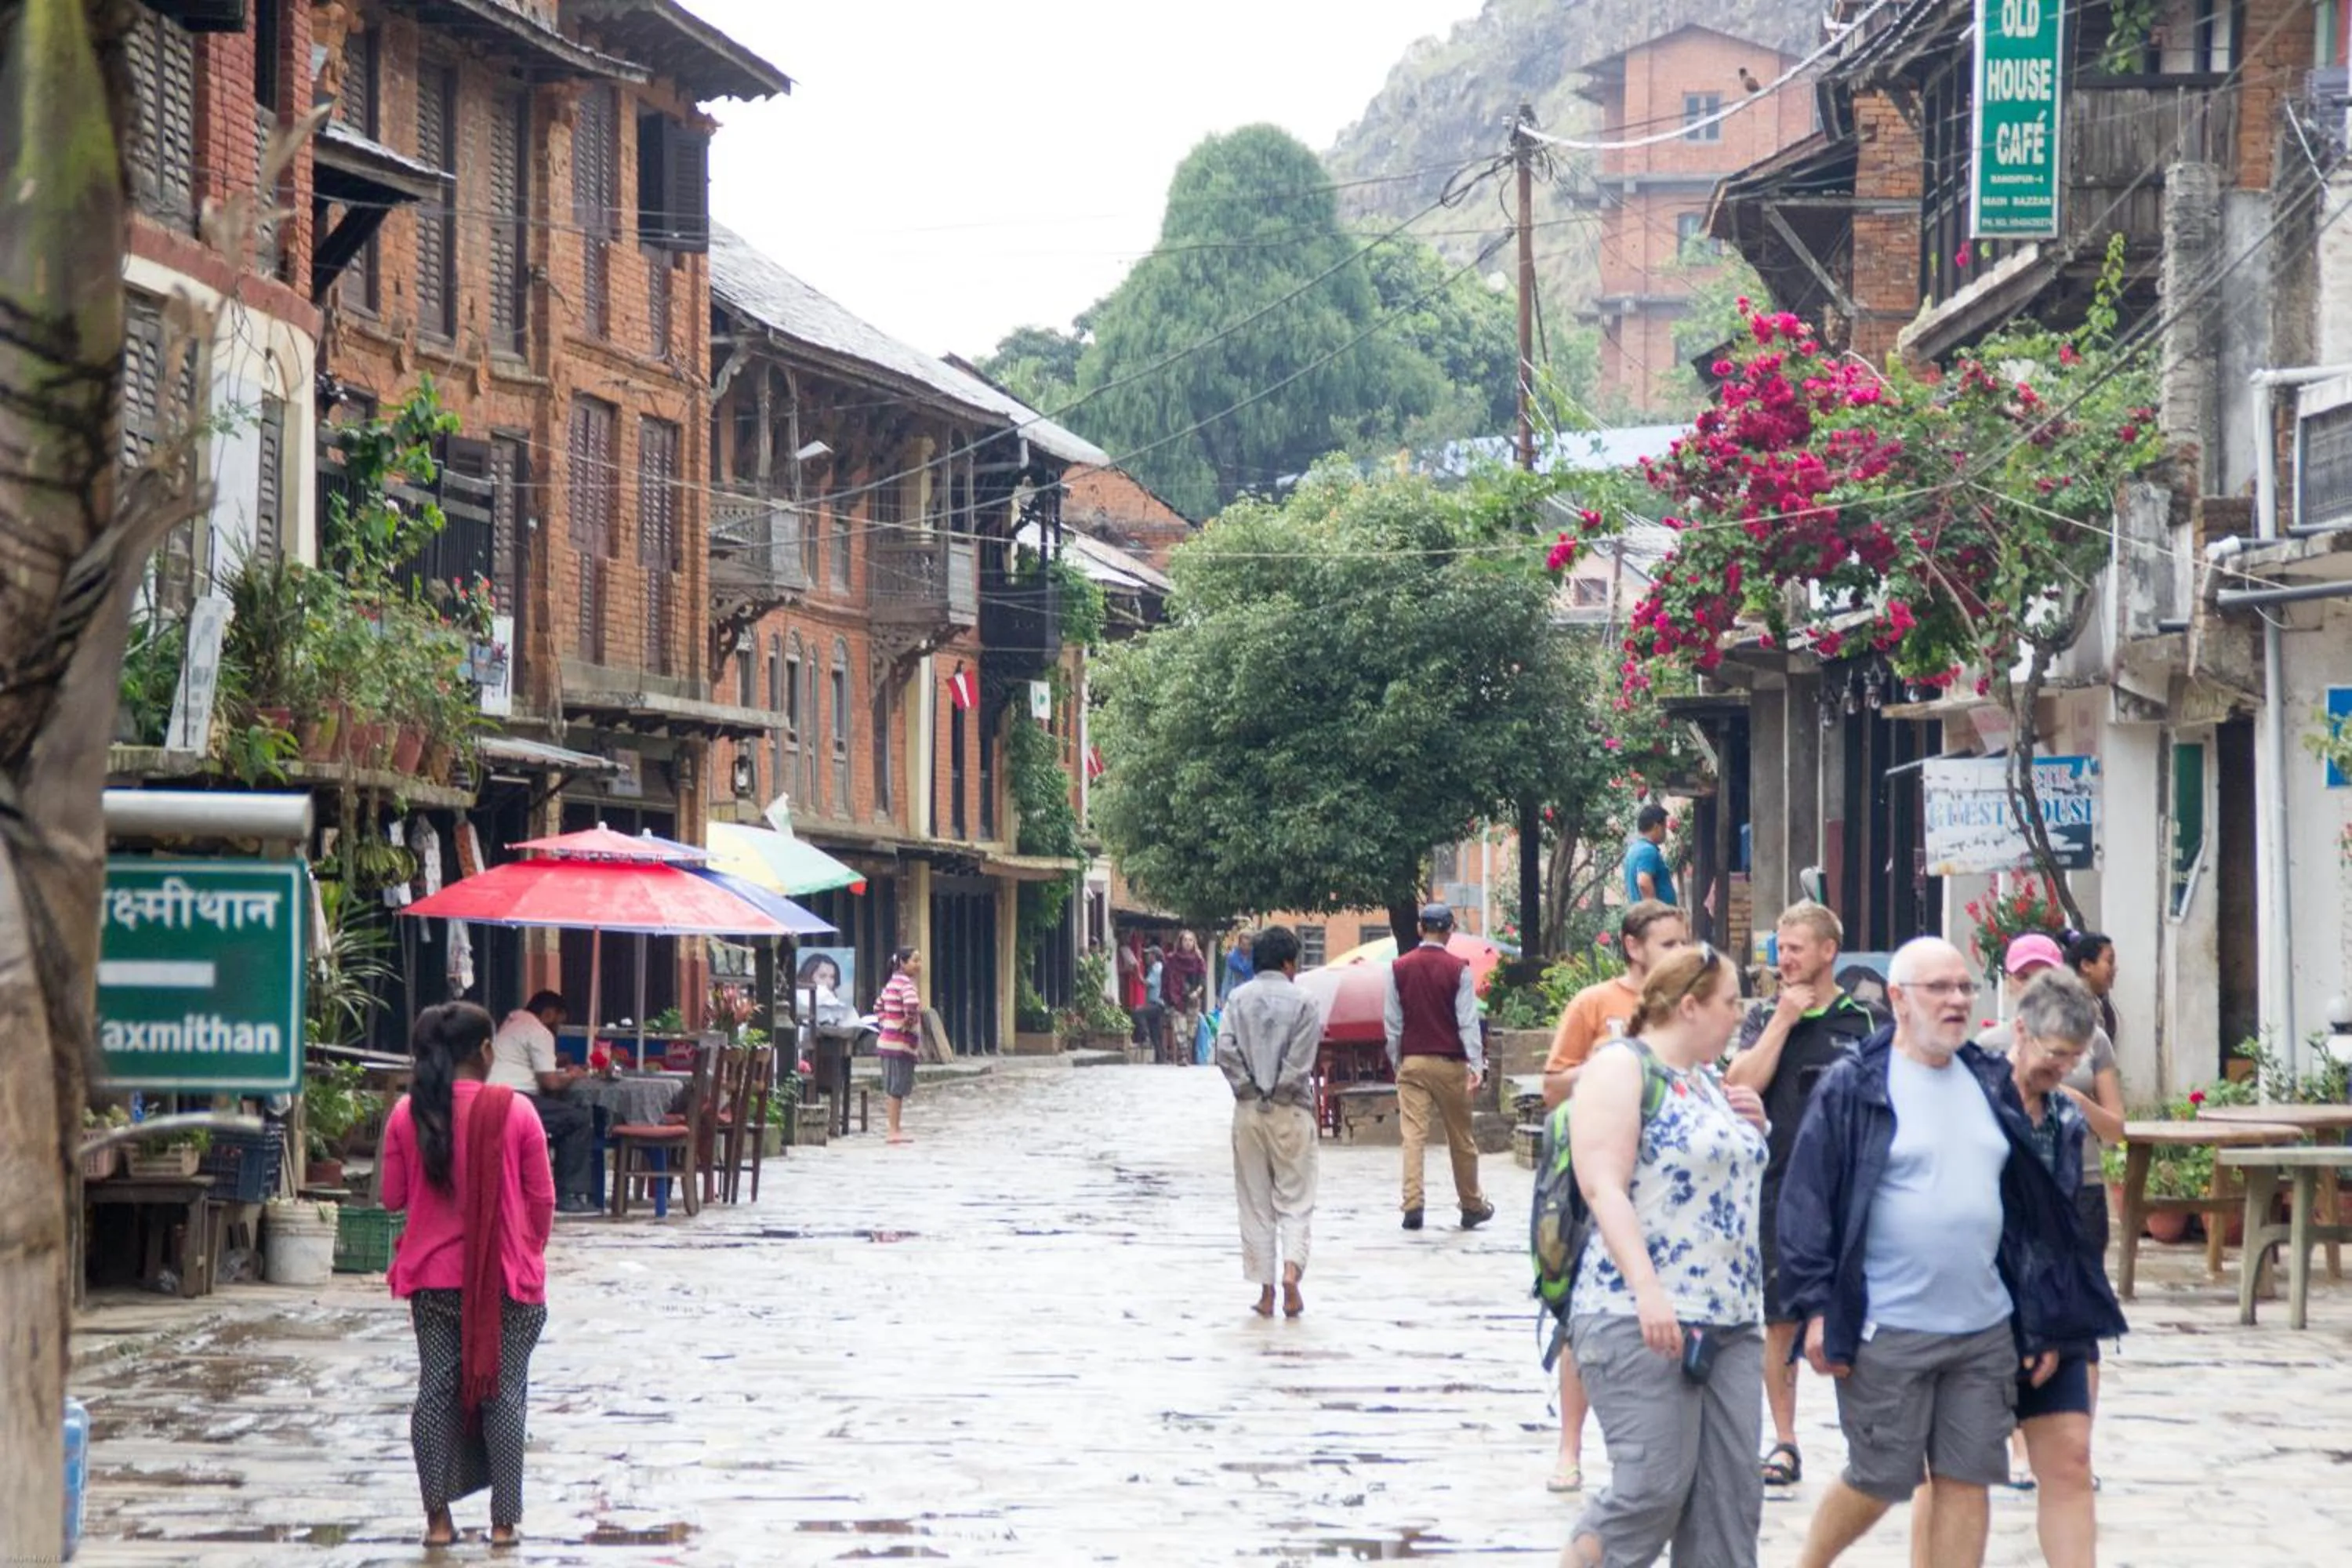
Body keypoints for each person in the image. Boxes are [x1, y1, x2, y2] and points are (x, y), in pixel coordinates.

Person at [1779, 938, 2125, 1568]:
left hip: (1981, 1327)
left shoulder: (1989, 1080)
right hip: (1891, 1323)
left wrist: (2041, 1315)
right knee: (1879, 1477)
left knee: (1968, 1479)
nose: (1957, 999)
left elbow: (2032, 1213)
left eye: (1964, 987)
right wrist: (1815, 1307)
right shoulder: (1855, 1084)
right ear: (1898, 999)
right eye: (1939, 988)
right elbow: (1807, 1199)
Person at [1563, 945, 1771, 1568]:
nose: (1740, 1016)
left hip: (1731, 1319)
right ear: (1689, 1006)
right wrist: (1648, 1288)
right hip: (1639, 1316)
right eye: (1732, 1003)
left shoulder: (1710, 1082)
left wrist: (1754, 1126)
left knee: (1729, 1503)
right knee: (1651, 1489)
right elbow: (1602, 1183)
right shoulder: (1621, 1068)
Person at [1915, 970, 2114, 1568]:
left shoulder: (2065, 1118)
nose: (2065, 1070)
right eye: (2056, 1054)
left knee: (2072, 1457)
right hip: (1968, 1308)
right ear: (2020, 1034)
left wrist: (2050, 1324)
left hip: (2050, 1306)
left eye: (2076, 1058)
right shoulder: (1965, 1100)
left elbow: (2059, 1235)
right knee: (1953, 1472)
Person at [382, 1002, 556, 1549]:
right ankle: (504, 1525)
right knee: (504, 1395)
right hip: (506, 1281)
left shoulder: (408, 1115)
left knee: (435, 1391)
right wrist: (524, 1252)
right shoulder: (518, 1112)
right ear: (485, 1051)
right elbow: (543, 1200)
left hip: (432, 1282)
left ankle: (438, 1523)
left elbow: (392, 1199)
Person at [1723, 902, 1879, 1489]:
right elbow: (1738, 1084)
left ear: (1827, 951)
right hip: (1780, 1187)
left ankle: (1862, 1438)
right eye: (1780, 948)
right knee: (1780, 1318)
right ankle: (1784, 1441)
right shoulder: (1764, 1016)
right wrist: (1783, 1022)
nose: (1783, 959)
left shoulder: (1863, 1019)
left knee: (1852, 1311)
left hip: (1848, 1193)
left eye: (1795, 948)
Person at [1537, 899, 1687, 1494]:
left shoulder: (1689, 1006)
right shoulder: (1596, 1005)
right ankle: (1570, 1448)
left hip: (1668, 1181)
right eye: (1669, 944)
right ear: (1634, 946)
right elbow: (1552, 1087)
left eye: (1684, 944)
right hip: (1597, 1176)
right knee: (1582, 1310)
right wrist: (1606, 1064)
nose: (1680, 955)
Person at [1214, 925, 1323, 1319]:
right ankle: (1291, 1273)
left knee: (1255, 1203)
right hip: (1292, 1110)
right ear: (1290, 963)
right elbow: (1301, 1059)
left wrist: (1249, 1088)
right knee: (1296, 1200)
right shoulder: (1306, 1002)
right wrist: (1279, 1088)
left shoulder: (1237, 1000)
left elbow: (1223, 1049)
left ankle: (1266, 1293)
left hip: (1247, 1113)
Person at [1384, 903, 1494, 1232]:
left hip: (1413, 1061)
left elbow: (1393, 1022)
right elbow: (1466, 1021)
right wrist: (1476, 1064)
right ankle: (1471, 1203)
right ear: (1450, 930)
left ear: (1420, 929)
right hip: (1450, 1062)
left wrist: (1397, 1061)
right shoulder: (1458, 969)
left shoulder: (1398, 968)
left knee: (1413, 1137)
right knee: (1461, 1137)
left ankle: (1413, 1204)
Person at [486, 992, 598, 1216]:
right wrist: (573, 1075)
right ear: (548, 1014)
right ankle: (568, 1194)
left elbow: (528, 1063)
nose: (558, 1029)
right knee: (578, 1120)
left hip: (491, 1098)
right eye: (559, 1021)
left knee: (563, 1116)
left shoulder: (512, 1022)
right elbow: (551, 1082)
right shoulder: (539, 1031)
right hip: (518, 1100)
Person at [875, 948, 924, 1145]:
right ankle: (893, 1130)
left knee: (893, 1088)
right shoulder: (906, 985)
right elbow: (911, 1005)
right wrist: (908, 1021)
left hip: (887, 1042)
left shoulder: (890, 985)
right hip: (900, 1044)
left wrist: (886, 1023)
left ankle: (895, 1128)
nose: (918, 965)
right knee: (897, 1088)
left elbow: (878, 1007)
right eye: (915, 961)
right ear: (903, 963)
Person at [2067, 931, 2122, 1053]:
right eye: (2110, 961)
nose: (2115, 968)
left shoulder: (2094, 1003)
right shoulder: (2073, 1006)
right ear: (2086, 965)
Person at [1167, 931, 1209, 1065]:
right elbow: (1168, 978)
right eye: (1185, 940)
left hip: (1193, 997)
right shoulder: (1173, 959)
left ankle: (1187, 1052)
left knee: (1191, 1027)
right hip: (1177, 997)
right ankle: (1183, 1055)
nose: (1188, 943)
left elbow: (1203, 979)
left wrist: (1197, 992)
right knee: (1180, 1025)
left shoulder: (1198, 960)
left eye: (1191, 940)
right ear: (1180, 942)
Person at [1622, 804, 1677, 906]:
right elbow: (1643, 882)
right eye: (1664, 827)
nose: (1665, 832)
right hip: (1655, 919)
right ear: (1657, 827)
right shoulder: (1648, 851)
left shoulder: (1634, 849)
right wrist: (1654, 914)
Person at [1141, 943, 1169, 1062]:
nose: (1147, 957)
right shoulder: (1156, 967)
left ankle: (1143, 1036)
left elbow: (1146, 983)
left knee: (1138, 1013)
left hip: (1157, 1004)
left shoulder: (1157, 967)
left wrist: (1136, 971)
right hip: (1157, 1003)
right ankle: (1160, 1058)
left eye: (1149, 955)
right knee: (1155, 1031)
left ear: (1154, 956)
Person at [1225, 926, 1258, 999]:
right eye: (1243, 944)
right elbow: (1227, 978)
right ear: (1239, 944)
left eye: (1248, 945)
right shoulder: (1231, 958)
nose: (1245, 947)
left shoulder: (1256, 958)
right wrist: (1224, 997)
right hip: (1235, 992)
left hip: (1252, 993)